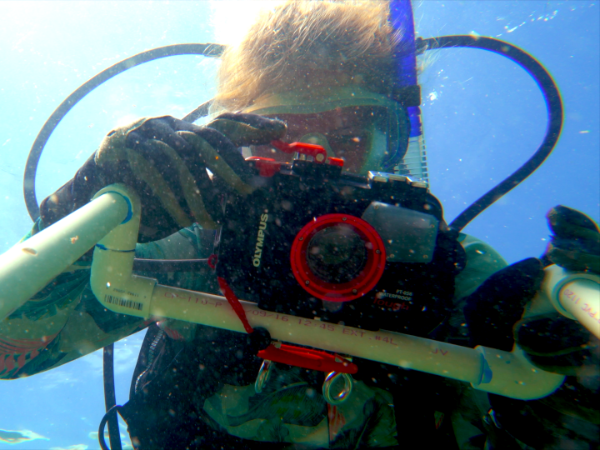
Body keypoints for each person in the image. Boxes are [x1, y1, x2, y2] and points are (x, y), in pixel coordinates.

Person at [1, 1, 598, 449]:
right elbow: (8, 353)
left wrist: (570, 380)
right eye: (281, 133)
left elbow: (552, 378)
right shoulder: (197, 246)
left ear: (387, 148)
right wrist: (78, 216)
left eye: (352, 136)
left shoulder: (440, 261)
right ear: (230, 140)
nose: (317, 160)